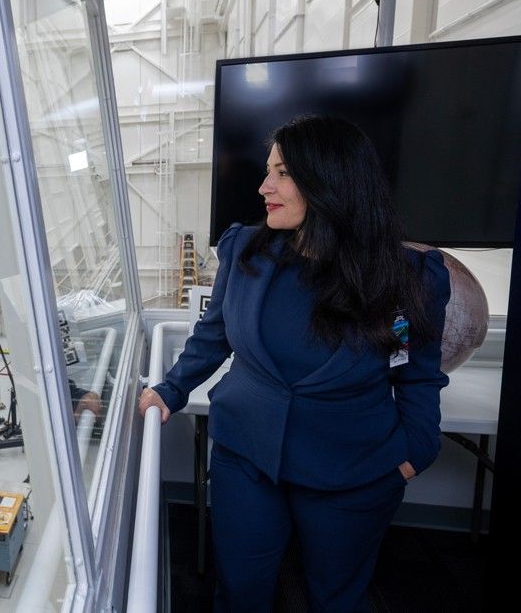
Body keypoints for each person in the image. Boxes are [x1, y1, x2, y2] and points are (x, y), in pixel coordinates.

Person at [139, 115, 450, 612]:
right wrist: (172, 388)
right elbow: (213, 334)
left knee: (336, 598)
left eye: (282, 173)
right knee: (241, 591)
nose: (265, 187)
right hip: (247, 455)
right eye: (269, 171)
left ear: (330, 181)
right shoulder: (245, 250)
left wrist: (416, 451)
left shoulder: (410, 275)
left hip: (353, 467)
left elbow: (416, 372)